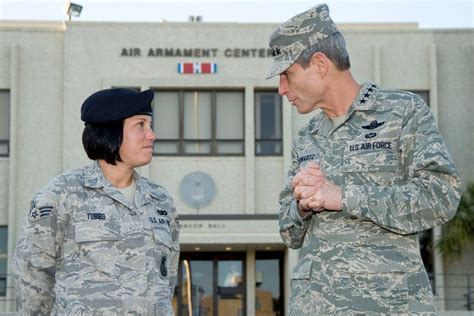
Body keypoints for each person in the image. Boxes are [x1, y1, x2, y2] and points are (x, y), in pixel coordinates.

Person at [268, 4, 462, 315]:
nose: (281, 89)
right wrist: (301, 207)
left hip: (387, 304)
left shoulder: (402, 112)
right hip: (314, 306)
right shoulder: (307, 137)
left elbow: (441, 196)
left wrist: (344, 196)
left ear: (319, 64)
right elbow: (288, 233)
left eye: (287, 74)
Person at [12, 88, 180, 315]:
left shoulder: (160, 200)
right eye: (140, 125)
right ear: (111, 132)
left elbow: (167, 278)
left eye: (150, 125)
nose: (152, 134)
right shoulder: (62, 195)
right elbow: (32, 274)